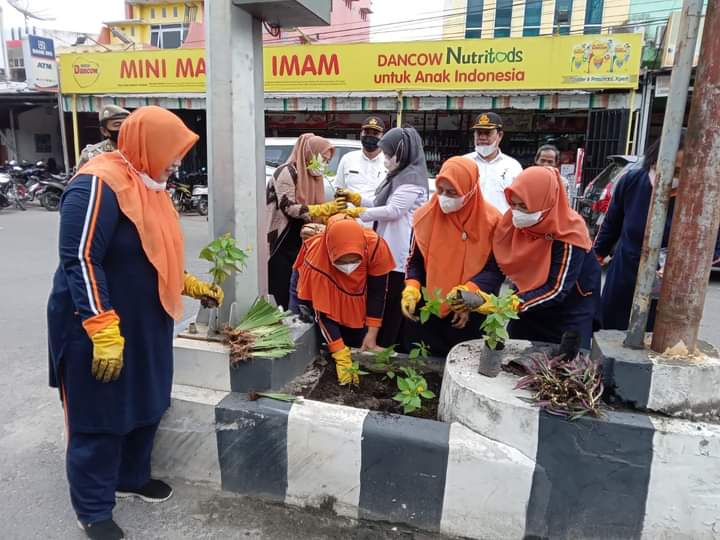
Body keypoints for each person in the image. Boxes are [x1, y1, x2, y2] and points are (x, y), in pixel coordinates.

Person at [47, 106, 223, 540]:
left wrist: (186, 284)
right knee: (100, 416)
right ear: (148, 146)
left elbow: (150, 253)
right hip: (95, 324)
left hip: (148, 322)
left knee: (147, 403)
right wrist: (103, 328)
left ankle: (131, 477)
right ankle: (92, 506)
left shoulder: (152, 186)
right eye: (173, 151)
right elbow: (82, 259)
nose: (177, 162)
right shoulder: (96, 184)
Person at [335, 126, 429, 348]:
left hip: (400, 250)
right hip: (385, 244)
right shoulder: (397, 175)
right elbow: (381, 202)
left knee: (392, 299)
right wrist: (357, 199)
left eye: (388, 154)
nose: (385, 158)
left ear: (402, 153)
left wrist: (359, 213)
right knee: (381, 296)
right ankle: (375, 340)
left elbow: (393, 210)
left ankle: (388, 345)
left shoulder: (412, 177)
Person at [401, 156, 504, 356]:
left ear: (471, 190)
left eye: (452, 192)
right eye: (441, 191)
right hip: (428, 306)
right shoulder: (425, 216)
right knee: (419, 362)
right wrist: (411, 288)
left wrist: (467, 296)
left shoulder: (492, 222)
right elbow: (415, 260)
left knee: (462, 364)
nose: (444, 198)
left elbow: (495, 270)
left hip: (468, 310)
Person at [493, 166, 601, 349]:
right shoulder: (514, 223)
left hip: (568, 310)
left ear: (545, 202)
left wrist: (512, 303)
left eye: (524, 206)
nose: (517, 212)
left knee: (563, 365)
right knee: (516, 356)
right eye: (514, 204)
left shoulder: (569, 234)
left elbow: (557, 289)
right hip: (531, 301)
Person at [594, 134, 691, 331]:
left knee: (655, 339)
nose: (669, 176)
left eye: (678, 171)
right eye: (662, 167)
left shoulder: (694, 193)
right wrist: (594, 257)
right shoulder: (632, 182)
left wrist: (678, 266)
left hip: (667, 282)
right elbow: (611, 226)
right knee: (611, 332)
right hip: (625, 271)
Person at [293, 215, 396, 384]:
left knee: (357, 338)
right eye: (342, 261)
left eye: (355, 260)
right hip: (319, 282)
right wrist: (340, 354)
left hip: (356, 293)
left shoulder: (376, 247)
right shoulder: (318, 260)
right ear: (331, 254)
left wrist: (372, 333)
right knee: (314, 336)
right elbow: (322, 313)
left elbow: (377, 293)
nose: (348, 267)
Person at [266, 133, 346, 309]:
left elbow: (317, 209)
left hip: (303, 239)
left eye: (327, 161)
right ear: (310, 153)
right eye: (322, 159)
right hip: (282, 238)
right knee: (280, 286)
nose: (324, 165)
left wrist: (333, 214)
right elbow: (288, 206)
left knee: (298, 288)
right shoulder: (287, 172)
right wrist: (323, 209)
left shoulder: (314, 178)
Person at [464, 112, 523, 215]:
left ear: (499, 136)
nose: (482, 137)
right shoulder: (463, 163)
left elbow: (519, 201)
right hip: (468, 228)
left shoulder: (513, 167)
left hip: (501, 226)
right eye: (479, 133)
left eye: (487, 133)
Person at [335, 116, 387, 225]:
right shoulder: (348, 158)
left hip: (378, 223)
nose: (370, 136)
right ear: (361, 134)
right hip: (351, 222)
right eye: (367, 132)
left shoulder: (389, 162)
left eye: (375, 133)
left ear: (383, 136)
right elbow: (339, 190)